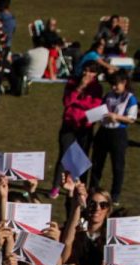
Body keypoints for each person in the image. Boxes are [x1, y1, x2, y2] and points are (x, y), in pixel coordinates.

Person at [49, 61, 103, 198]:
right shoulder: (73, 82)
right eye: (85, 70)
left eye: (91, 71)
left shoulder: (97, 87)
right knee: (64, 156)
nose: (87, 74)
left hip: (85, 127)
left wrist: (77, 102)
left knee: (81, 158)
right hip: (69, 124)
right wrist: (79, 88)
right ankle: (56, 186)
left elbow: (94, 106)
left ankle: (79, 188)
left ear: (96, 74)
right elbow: (67, 101)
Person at [90, 70, 137, 206]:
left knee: (117, 166)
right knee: (97, 163)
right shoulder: (108, 95)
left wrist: (116, 117)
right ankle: (93, 190)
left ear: (124, 82)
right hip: (103, 131)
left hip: (118, 133)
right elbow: (100, 109)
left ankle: (115, 195)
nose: (113, 87)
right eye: (112, 85)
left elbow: (131, 118)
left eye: (116, 84)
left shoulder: (130, 98)